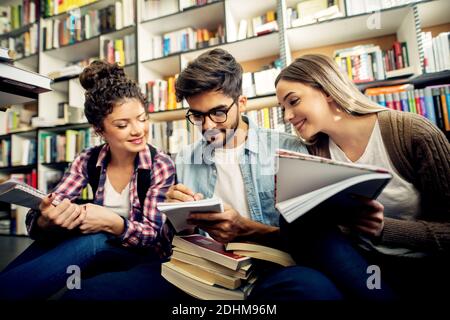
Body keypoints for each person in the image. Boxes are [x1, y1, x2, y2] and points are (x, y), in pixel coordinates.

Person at [165, 48, 362, 300]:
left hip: (274, 269)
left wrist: (245, 230)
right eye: (197, 115)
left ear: (242, 103)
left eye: (218, 112)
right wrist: (176, 218)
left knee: (314, 289)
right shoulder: (184, 159)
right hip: (211, 272)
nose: (208, 126)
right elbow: (180, 240)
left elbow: (316, 240)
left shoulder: (289, 150)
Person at [275, 54, 450, 299]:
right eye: (282, 108)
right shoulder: (316, 151)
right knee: (294, 223)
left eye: (293, 101)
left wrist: (384, 229)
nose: (287, 116)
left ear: (327, 90)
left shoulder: (412, 134)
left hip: (419, 267)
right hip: (359, 263)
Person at [0, 61, 177, 300]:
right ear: (99, 130)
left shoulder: (160, 164)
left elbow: (152, 237)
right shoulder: (87, 159)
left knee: (93, 238)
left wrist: (112, 222)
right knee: (58, 236)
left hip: (144, 255)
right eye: (123, 125)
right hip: (100, 248)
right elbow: (52, 205)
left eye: (142, 118)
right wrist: (46, 220)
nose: (138, 130)